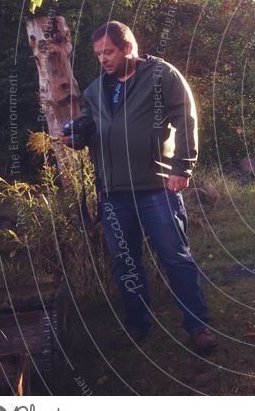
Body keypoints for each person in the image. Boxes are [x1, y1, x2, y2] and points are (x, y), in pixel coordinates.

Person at [62, 21, 217, 354]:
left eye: (109, 52)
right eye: (98, 54)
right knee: (125, 263)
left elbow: (185, 118)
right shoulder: (93, 91)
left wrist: (183, 167)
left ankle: (197, 325)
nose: (103, 59)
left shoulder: (161, 76)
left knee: (175, 257)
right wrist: (76, 134)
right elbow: (90, 127)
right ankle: (137, 323)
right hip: (114, 194)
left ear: (127, 47)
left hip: (157, 187)